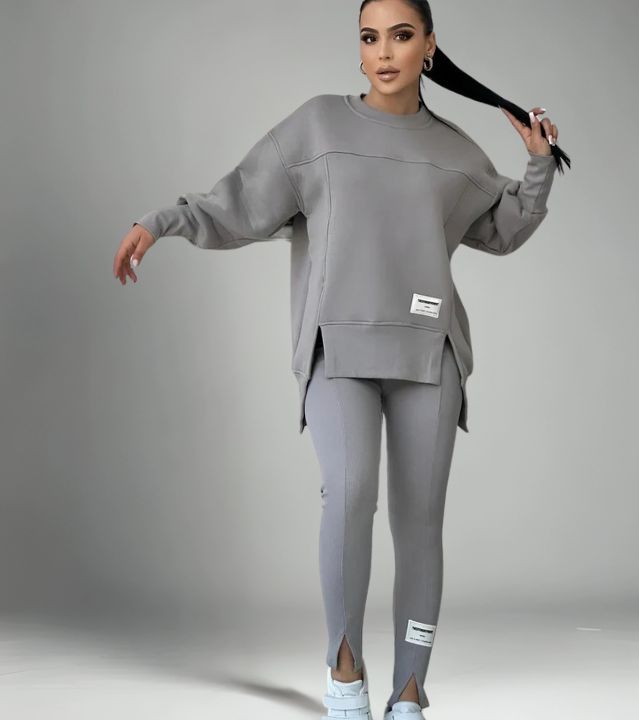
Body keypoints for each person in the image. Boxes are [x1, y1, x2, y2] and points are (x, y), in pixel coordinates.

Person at [112, 1, 567, 717]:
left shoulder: (454, 151)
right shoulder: (319, 127)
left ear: (429, 46)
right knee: (351, 498)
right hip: (337, 346)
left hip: (430, 352)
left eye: (401, 36)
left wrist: (538, 166)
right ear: (359, 49)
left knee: (420, 523)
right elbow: (238, 201)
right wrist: (160, 221)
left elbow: (502, 228)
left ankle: (411, 688)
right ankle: (345, 670)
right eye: (369, 37)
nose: (383, 52)